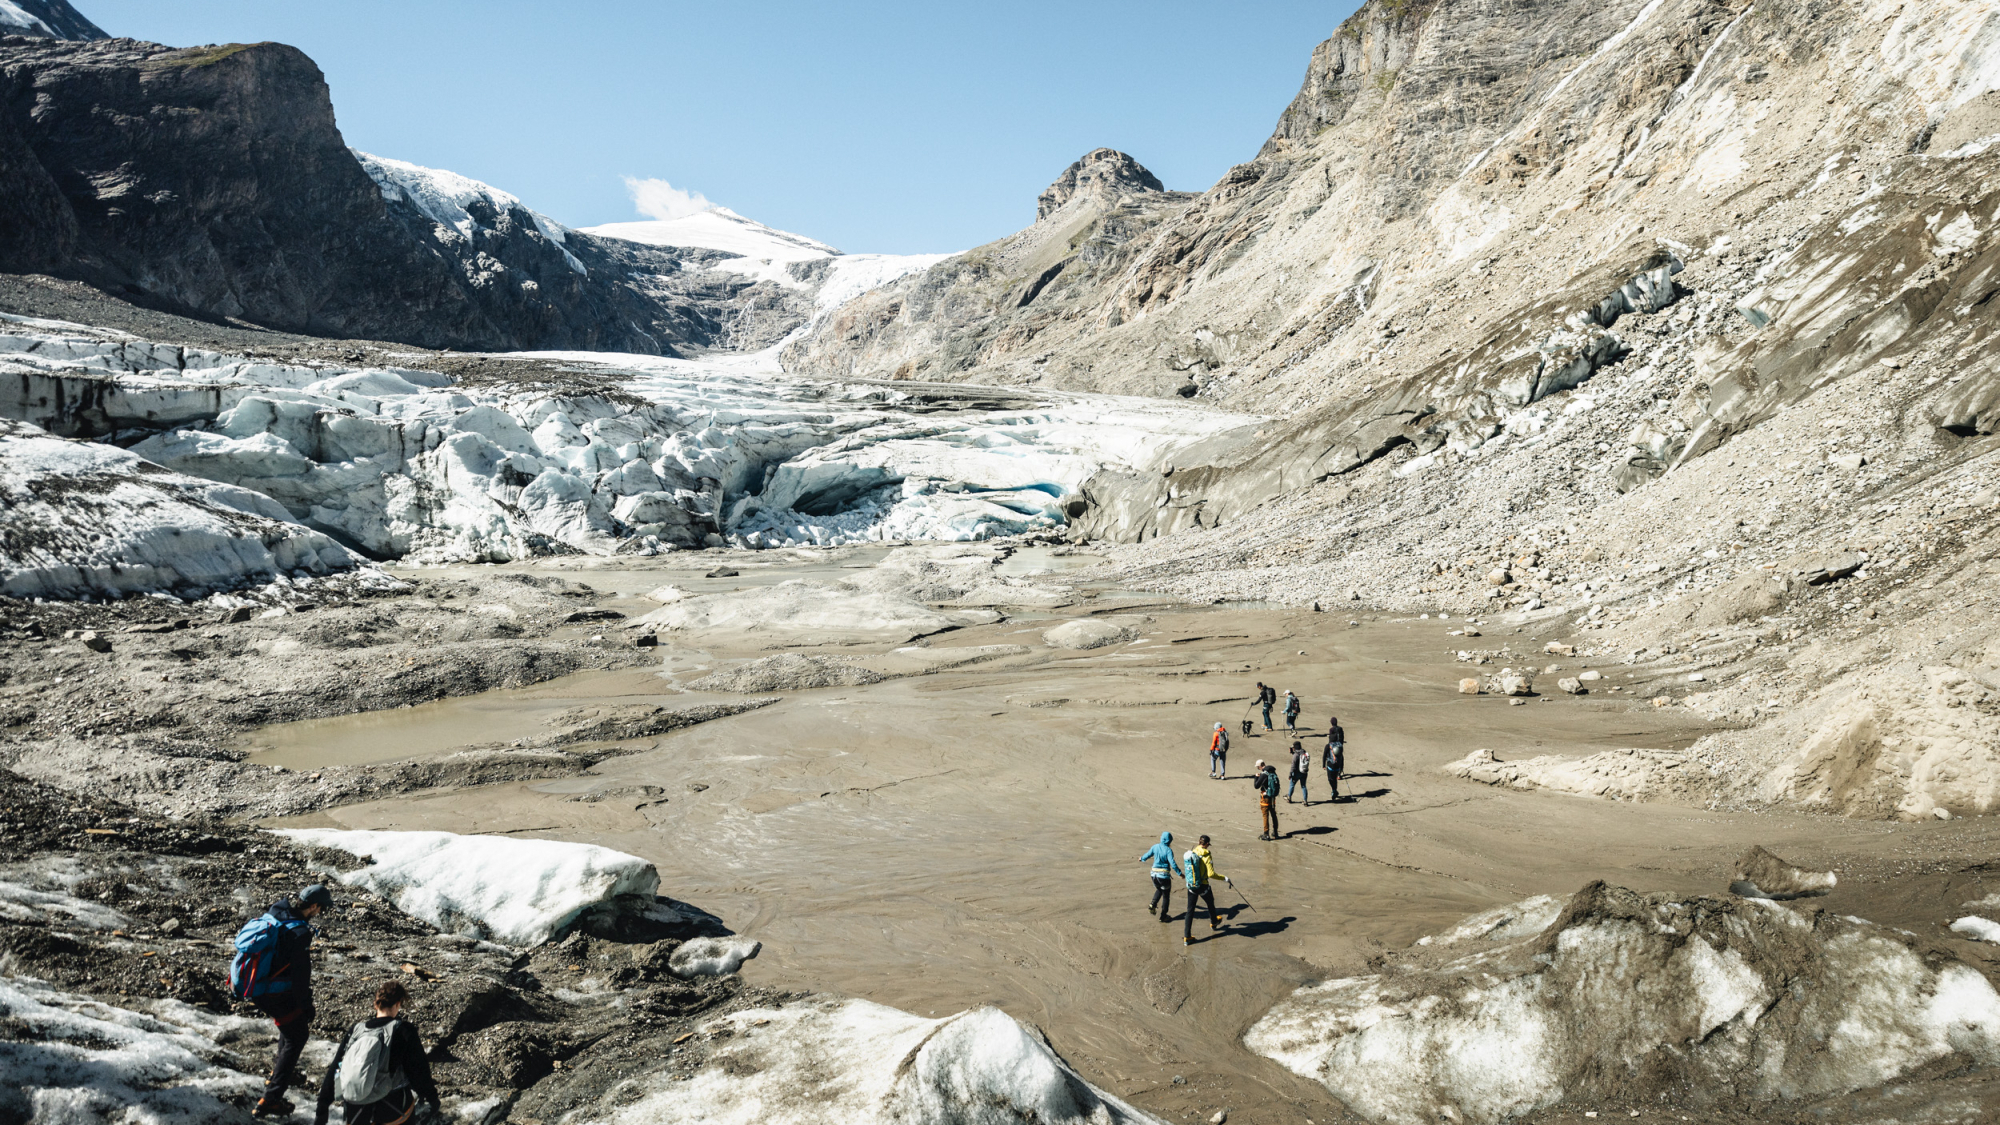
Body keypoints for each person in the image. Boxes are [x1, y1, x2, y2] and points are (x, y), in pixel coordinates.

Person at [234, 884, 334, 1118]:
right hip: (271, 992)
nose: (321, 913)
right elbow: (301, 978)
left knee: (290, 1028)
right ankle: (271, 1100)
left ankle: (277, 1074)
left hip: (255, 984)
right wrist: (307, 1006)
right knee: (298, 1034)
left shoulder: (278, 909)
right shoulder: (300, 934)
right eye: (321, 909)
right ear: (313, 906)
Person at [314, 978, 440, 1125]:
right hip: (393, 1111)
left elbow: (336, 1068)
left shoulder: (356, 1030)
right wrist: (432, 1098)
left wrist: (322, 1107)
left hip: (356, 1112)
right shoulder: (403, 1030)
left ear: (376, 1004)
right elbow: (418, 1070)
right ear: (398, 1004)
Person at [1182, 834, 1227, 945]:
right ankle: (1214, 922)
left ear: (1199, 842)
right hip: (1203, 886)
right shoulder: (1206, 855)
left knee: (1190, 910)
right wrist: (1224, 878)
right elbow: (1211, 874)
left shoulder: (1194, 851)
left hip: (1191, 885)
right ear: (1207, 844)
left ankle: (1187, 937)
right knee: (1210, 903)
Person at [1140, 831, 1184, 923]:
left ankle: (1153, 904)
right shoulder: (1168, 850)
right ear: (1169, 841)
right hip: (1163, 876)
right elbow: (1173, 864)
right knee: (1166, 896)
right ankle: (1163, 916)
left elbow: (1147, 855)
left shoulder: (1155, 847)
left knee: (1159, 889)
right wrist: (1180, 873)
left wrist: (1142, 858)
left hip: (1153, 875)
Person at [1254, 760, 1281, 839]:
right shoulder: (1272, 772)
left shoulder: (1263, 774)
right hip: (1272, 796)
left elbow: (1256, 786)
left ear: (1260, 766)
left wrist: (1256, 777)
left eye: (1257, 767)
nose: (1258, 768)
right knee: (1273, 814)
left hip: (1265, 797)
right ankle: (1275, 832)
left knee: (1265, 815)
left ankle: (1266, 834)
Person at [1324, 715, 1346, 801]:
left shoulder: (1331, 730)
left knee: (1334, 759)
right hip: (1339, 747)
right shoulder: (1340, 728)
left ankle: (1338, 775)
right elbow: (1342, 736)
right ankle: (1340, 773)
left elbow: (1331, 739)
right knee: (1341, 758)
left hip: (1333, 747)